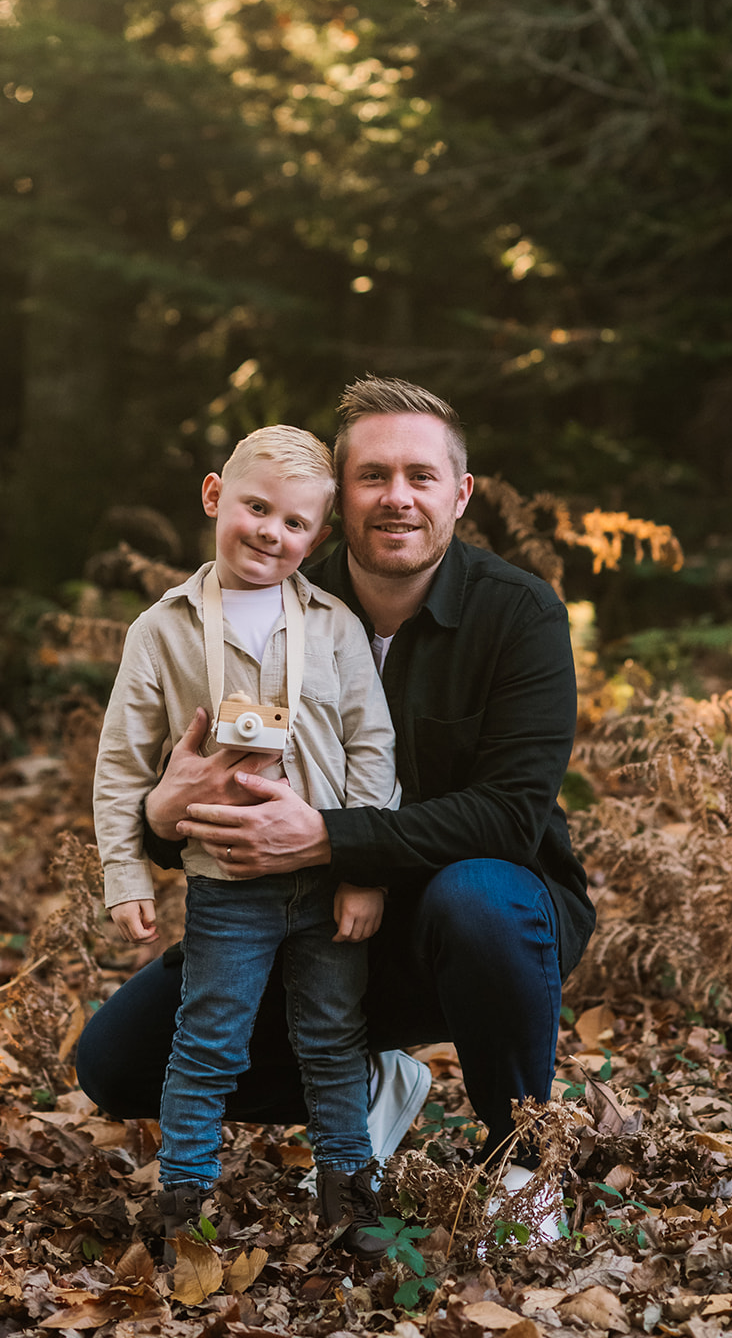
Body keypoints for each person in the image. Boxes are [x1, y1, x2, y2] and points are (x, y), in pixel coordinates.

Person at [77, 376, 595, 1227]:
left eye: (420, 477)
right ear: (335, 501)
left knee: (480, 899)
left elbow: (510, 817)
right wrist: (160, 821)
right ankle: (366, 1080)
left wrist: (327, 840)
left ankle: (519, 1164)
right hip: (297, 916)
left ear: (459, 494)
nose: (397, 498)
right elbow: (182, 778)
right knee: (116, 1062)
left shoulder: (519, 613)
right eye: (373, 476)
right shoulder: (268, 597)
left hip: (472, 923)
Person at [91, 425, 400, 1261]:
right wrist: (125, 873)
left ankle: (348, 1196)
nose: (271, 532)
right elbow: (122, 759)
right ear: (213, 496)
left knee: (334, 1037)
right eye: (255, 508)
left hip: (327, 878)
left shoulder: (333, 625)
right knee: (208, 1039)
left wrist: (364, 869)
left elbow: (372, 747)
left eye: (295, 523)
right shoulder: (163, 629)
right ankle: (183, 1201)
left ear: (318, 536)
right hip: (225, 881)